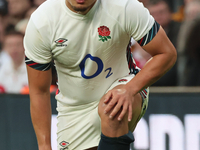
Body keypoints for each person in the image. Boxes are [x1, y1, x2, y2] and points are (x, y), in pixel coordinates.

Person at [23, 0, 176, 150]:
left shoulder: (124, 6)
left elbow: (166, 53)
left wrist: (130, 89)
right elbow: (39, 91)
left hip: (125, 85)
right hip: (75, 108)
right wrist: (44, 146)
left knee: (112, 108)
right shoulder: (42, 22)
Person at [147, 0, 180, 86]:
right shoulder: (143, 34)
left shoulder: (180, 31)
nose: (158, 16)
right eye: (153, 14)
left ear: (170, 13)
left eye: (161, 12)